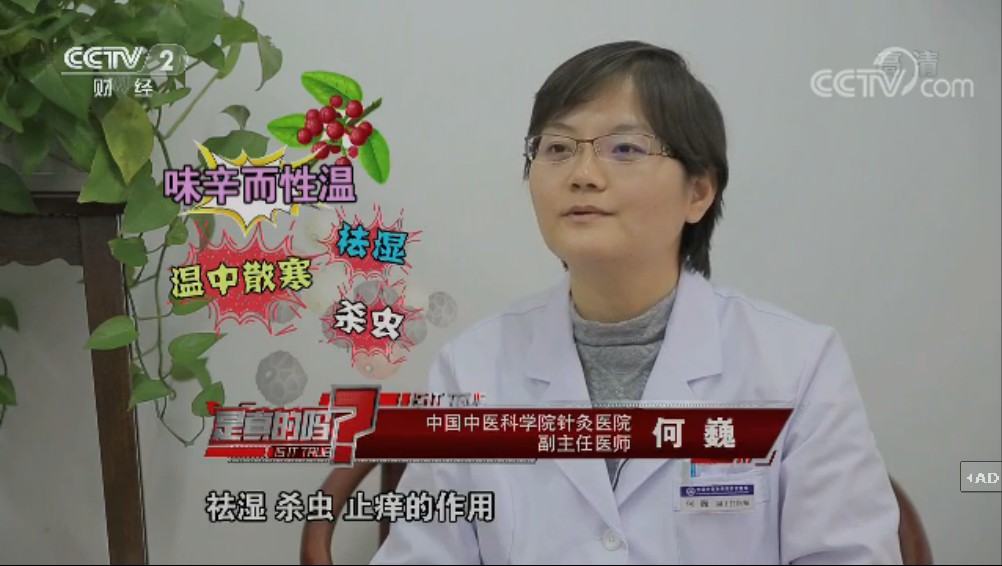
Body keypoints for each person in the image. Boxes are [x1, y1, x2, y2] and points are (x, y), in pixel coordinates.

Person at [359, 40, 903, 564]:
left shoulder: (798, 365)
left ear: (698, 192)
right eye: (557, 148)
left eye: (625, 149)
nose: (583, 175)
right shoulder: (470, 369)